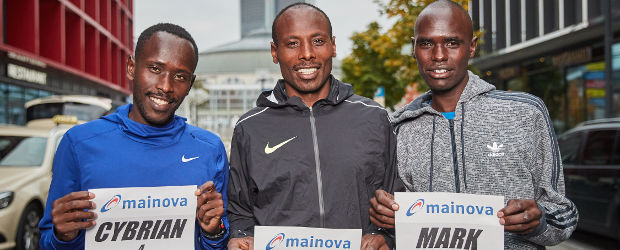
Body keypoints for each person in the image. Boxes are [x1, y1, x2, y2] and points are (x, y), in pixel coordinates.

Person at [368, 1, 578, 249]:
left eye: (452, 42)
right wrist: (386, 225)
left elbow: (564, 215)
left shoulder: (524, 113)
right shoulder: (399, 127)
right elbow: (399, 225)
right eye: (426, 43)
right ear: (414, 48)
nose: (438, 55)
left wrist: (539, 220)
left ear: (472, 47)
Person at [38, 23, 229, 250]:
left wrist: (214, 233)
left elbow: (218, 240)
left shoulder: (210, 148)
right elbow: (49, 241)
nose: (165, 86)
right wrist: (63, 236)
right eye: (155, 69)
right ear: (131, 67)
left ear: (189, 84)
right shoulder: (78, 143)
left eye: (180, 76)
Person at [226, 3, 399, 250]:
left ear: (333, 46)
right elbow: (240, 211)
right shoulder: (249, 128)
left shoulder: (374, 117)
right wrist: (240, 236)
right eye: (293, 43)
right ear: (275, 52)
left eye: (318, 41)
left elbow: (395, 202)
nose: (307, 53)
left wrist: (386, 237)